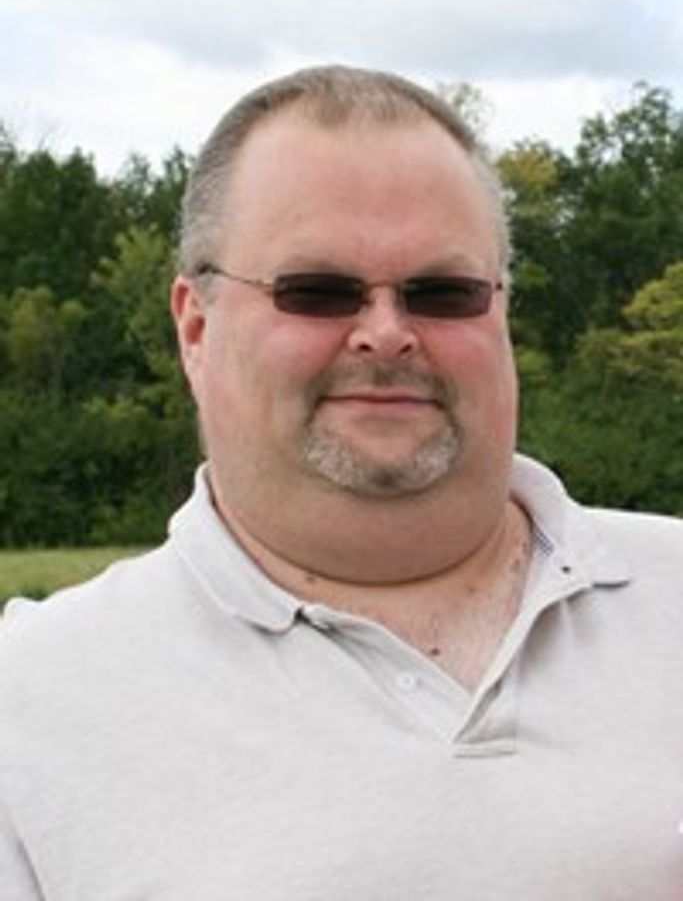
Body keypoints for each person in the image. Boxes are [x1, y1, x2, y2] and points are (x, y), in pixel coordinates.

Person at [1, 65, 682, 900]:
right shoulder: (29, 704)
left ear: (501, 311)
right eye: (318, 292)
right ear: (196, 328)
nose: (386, 334)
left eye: (443, 293)